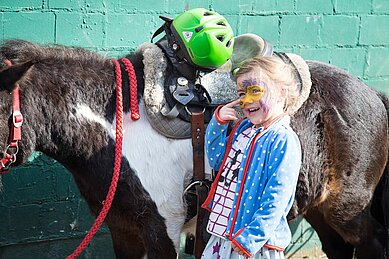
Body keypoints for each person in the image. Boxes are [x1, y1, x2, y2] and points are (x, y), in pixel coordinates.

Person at [201, 56, 302, 259]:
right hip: (224, 236)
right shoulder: (243, 129)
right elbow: (217, 161)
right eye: (241, 93)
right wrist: (217, 124)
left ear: (282, 93)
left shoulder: (283, 140)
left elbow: (277, 198)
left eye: (254, 91)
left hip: (253, 245)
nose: (246, 101)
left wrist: (251, 237)